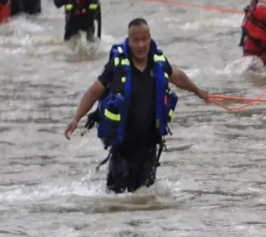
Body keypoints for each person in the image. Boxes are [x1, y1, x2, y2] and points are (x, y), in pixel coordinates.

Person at [64, 18, 207, 193]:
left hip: (148, 146)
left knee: (145, 199)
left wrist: (198, 91)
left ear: (150, 38)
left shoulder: (159, 63)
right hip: (122, 147)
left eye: (144, 39)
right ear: (129, 40)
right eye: (136, 40)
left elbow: (177, 77)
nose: (141, 45)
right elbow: (94, 91)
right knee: (117, 200)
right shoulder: (117, 66)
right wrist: (76, 118)